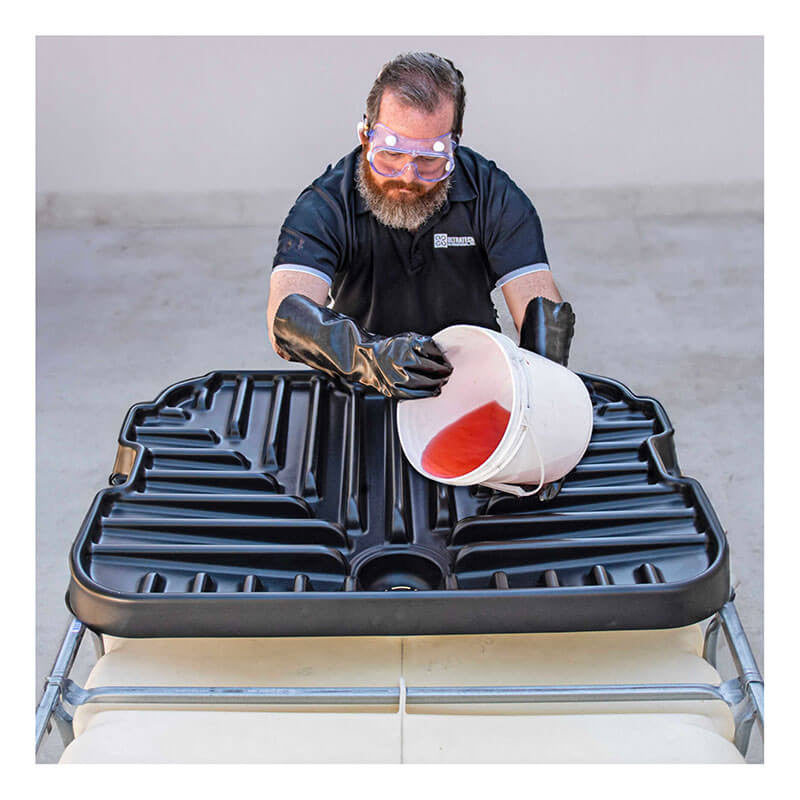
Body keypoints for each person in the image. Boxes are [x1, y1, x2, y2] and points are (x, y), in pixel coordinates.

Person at [267, 51, 574, 404]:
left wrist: (536, 395)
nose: (408, 176)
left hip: (476, 385)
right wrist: (371, 357)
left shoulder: (494, 195)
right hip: (362, 385)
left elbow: (541, 311)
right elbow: (286, 320)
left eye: (429, 159)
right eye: (391, 154)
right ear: (366, 136)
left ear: (453, 145)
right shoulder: (325, 206)